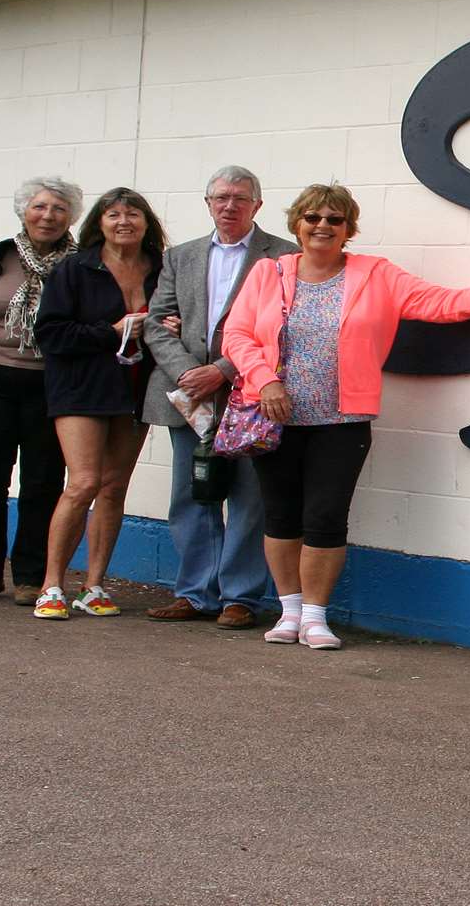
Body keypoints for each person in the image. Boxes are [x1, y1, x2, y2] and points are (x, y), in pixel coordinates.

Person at [222, 183, 470, 651]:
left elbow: (435, 302)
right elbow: (238, 335)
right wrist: (265, 379)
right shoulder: (270, 273)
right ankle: (288, 612)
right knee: (281, 516)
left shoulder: (376, 275)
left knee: (327, 518)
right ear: (297, 224)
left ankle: (314, 617)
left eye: (334, 219)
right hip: (275, 416)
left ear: (348, 228)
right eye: (313, 218)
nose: (322, 226)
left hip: (342, 420)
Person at [141, 166, 293, 629]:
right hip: (189, 396)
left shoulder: (284, 256)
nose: (230, 206)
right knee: (193, 493)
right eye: (221, 198)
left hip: (249, 393)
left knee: (249, 498)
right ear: (208, 203)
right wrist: (190, 372)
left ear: (258, 206)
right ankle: (195, 593)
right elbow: (155, 321)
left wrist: (222, 370)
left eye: (241, 199)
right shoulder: (179, 256)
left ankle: (240, 597)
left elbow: (285, 330)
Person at [0, 176, 83, 605]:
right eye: (40, 207)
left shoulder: (82, 265)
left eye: (59, 209)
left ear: (70, 217)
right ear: (24, 210)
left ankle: (31, 576)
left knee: (42, 481)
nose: (48, 216)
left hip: (52, 384)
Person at [32, 187, 166, 620]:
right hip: (82, 388)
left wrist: (170, 325)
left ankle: (93, 586)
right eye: (113, 214)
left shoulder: (163, 270)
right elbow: (51, 334)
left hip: (135, 390)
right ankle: (51, 584)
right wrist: (112, 331)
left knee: (113, 487)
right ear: (99, 223)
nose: (124, 221)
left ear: (147, 224)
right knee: (84, 482)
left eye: (133, 214)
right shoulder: (75, 269)